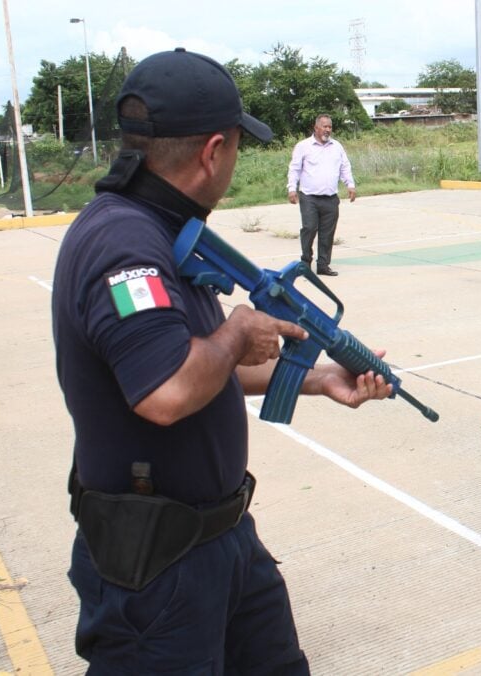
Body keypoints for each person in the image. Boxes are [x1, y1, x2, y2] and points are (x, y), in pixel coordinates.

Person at [51, 49, 392, 672]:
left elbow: (200, 363)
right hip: (154, 564)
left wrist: (315, 378)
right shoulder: (125, 245)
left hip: (221, 536)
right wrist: (237, 332)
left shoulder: (166, 228)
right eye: (236, 146)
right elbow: (168, 391)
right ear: (213, 151)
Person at [287, 114, 356, 276]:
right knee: (309, 228)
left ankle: (323, 265)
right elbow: (295, 168)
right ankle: (305, 262)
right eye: (324, 126)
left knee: (327, 233)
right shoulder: (303, 146)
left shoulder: (337, 146)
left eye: (330, 127)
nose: (327, 130)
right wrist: (292, 188)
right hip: (309, 197)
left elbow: (345, 167)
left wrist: (350, 185)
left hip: (331, 198)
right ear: (316, 127)